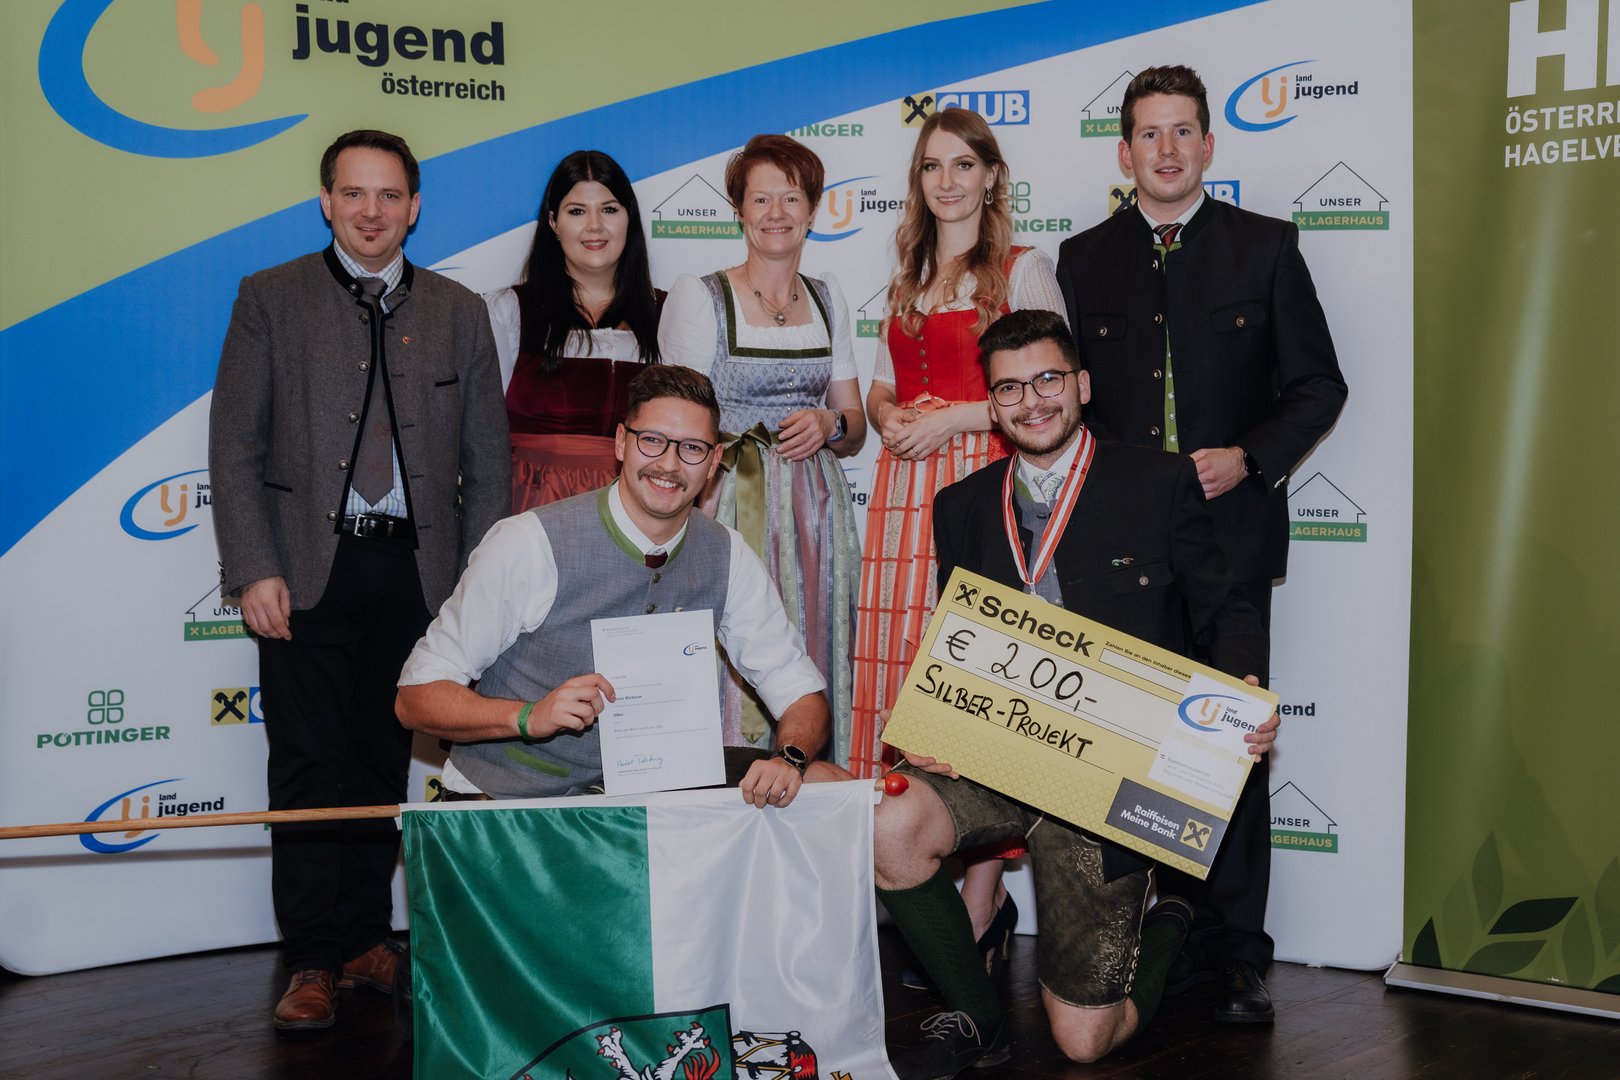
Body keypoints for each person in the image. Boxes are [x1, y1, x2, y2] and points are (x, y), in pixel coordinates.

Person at [875, 310, 1278, 1075]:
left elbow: (1227, 606)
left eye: (1048, 380)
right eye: (1009, 388)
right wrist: (934, 720)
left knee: (1084, 1043)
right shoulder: (961, 505)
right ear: (992, 405)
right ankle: (979, 1019)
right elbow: (956, 637)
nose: (1031, 401)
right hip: (997, 757)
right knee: (888, 821)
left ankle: (1173, 914)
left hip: (1109, 779)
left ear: (1083, 385)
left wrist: (1245, 687)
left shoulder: (1158, 483)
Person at [1055, 65, 1348, 1024]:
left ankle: (1233, 956)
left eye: (1184, 131)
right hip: (1123, 552)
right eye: (1150, 133)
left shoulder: (1266, 247)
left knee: (1231, 743)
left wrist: (1249, 457)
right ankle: (1148, 935)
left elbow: (1319, 387)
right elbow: (1069, 407)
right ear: (1125, 151)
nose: (1168, 149)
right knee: (1132, 745)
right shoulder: (1082, 259)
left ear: (1210, 145)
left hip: (1232, 545)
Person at [208, 129, 509, 1030]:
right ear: (326, 202)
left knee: (383, 762)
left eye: (388, 195)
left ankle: (364, 938)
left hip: (419, 576)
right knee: (308, 763)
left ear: (414, 207)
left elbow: (488, 465)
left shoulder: (459, 310)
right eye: (353, 193)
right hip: (305, 572)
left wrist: (478, 591)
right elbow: (235, 446)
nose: (370, 211)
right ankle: (310, 957)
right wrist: (253, 568)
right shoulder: (269, 298)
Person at [395, 365, 837, 806]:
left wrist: (790, 758)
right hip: (515, 801)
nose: (669, 464)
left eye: (691, 448)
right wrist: (528, 716)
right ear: (622, 442)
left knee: (825, 782)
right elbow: (415, 699)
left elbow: (800, 691)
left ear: (714, 462)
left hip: (649, 799)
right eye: (652, 440)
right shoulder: (529, 543)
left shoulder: (728, 555)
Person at [658, 134, 866, 767]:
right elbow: (675, 426)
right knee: (727, 645)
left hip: (816, 511)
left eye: (792, 198)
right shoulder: (701, 297)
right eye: (761, 199)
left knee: (816, 639)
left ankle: (812, 773)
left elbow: (856, 425)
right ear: (739, 210)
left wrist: (829, 422)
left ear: (813, 210)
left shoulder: (829, 297)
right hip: (727, 502)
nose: (777, 213)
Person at [486, 150, 664, 512]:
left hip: (635, 511)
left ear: (629, 218)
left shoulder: (667, 313)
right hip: (530, 507)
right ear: (554, 222)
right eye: (577, 211)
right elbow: (481, 429)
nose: (594, 226)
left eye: (609, 209)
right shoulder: (510, 310)